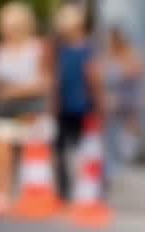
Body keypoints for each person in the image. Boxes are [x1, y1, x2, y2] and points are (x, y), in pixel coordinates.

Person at [0, 1, 50, 213]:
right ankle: (2, 193)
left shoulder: (37, 48)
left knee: (24, 140)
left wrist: (12, 91)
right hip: (3, 110)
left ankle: (33, 195)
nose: (9, 30)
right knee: (1, 143)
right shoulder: (0, 51)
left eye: (14, 25)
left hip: (30, 109)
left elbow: (43, 83)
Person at [51, 4, 100, 200]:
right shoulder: (59, 49)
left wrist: (97, 102)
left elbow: (92, 77)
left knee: (81, 148)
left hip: (81, 105)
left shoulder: (86, 49)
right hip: (64, 105)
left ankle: (84, 187)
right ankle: (65, 188)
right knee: (62, 148)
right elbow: (55, 79)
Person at [100, 26, 143, 176]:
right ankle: (111, 169)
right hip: (111, 104)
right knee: (110, 136)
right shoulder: (107, 56)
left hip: (127, 102)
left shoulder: (130, 56)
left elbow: (134, 72)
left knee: (126, 138)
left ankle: (122, 163)